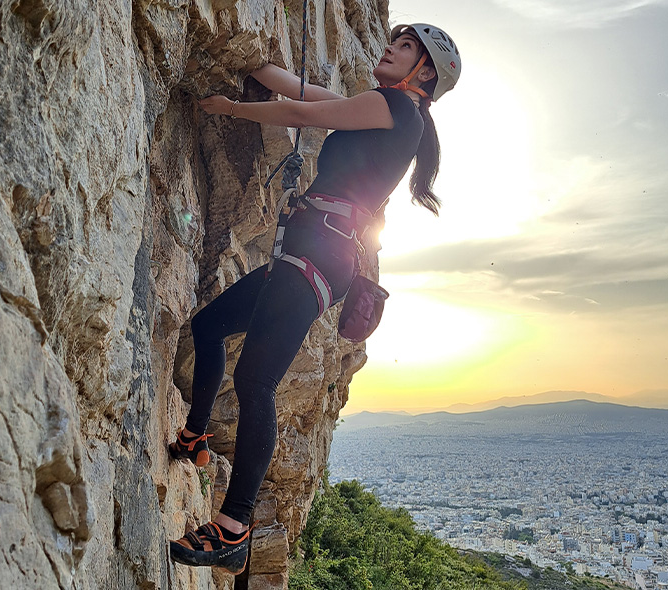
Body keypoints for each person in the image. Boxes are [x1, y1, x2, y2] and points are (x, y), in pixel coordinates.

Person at [168, 23, 462, 574]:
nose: (388, 48)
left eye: (403, 47)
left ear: (424, 72)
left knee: (257, 383)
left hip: (316, 257)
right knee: (208, 328)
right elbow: (303, 92)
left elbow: (303, 116)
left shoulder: (396, 110)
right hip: (315, 256)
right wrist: (249, 59)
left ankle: (233, 530)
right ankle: (193, 436)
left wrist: (230, 107)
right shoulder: (384, 111)